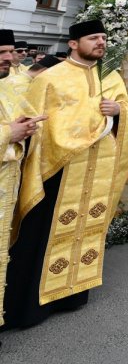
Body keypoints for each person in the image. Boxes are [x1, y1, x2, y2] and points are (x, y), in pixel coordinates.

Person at [5, 20, 128, 329]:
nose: (101, 42)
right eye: (94, 38)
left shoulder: (111, 76)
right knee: (42, 235)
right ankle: (30, 306)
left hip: (97, 172)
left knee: (86, 229)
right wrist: (79, 133)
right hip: (57, 171)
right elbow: (38, 126)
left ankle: (71, 294)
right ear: (74, 43)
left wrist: (120, 112)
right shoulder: (50, 78)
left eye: (103, 38)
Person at [0, 29, 45, 326]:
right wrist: (8, 133)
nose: (8, 58)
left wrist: (20, 131)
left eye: (9, 51)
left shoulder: (7, 87)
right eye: (0, 52)